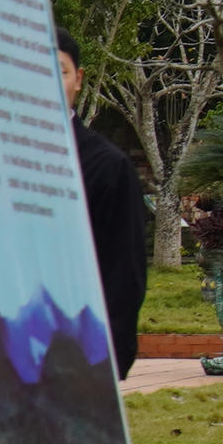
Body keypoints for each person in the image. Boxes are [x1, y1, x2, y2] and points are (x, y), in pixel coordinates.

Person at [59, 40, 152, 367]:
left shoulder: (107, 167)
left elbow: (125, 272)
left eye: (59, 71)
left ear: (79, 78)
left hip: (77, 355)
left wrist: (106, 357)